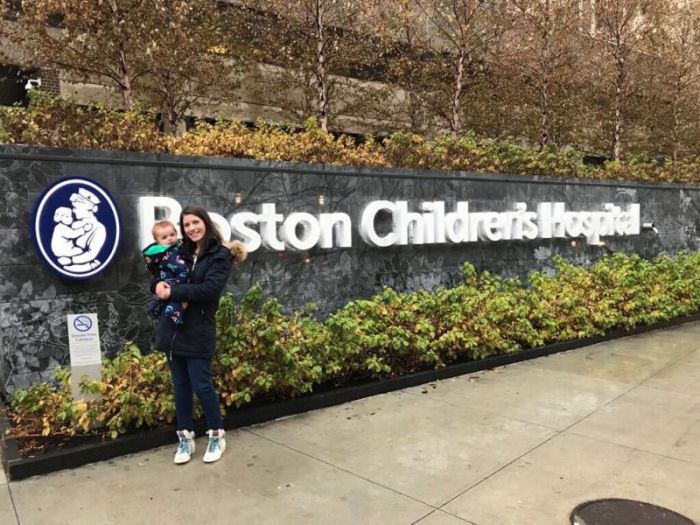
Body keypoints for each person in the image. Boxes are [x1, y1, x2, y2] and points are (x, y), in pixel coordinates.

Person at [152, 205, 247, 464]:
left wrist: (174, 292)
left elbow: (209, 289)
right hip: (172, 328)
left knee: (202, 385)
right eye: (186, 225)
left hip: (198, 329)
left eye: (196, 222)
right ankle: (185, 438)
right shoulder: (178, 250)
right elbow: (159, 273)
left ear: (205, 222)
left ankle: (216, 434)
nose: (191, 228)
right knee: (180, 387)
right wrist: (157, 285)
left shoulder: (220, 254)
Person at [142, 220, 190, 325]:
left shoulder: (158, 253)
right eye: (164, 237)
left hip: (166, 279)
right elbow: (182, 269)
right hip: (173, 280)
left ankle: (154, 307)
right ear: (157, 241)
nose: (170, 238)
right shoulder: (169, 252)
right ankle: (174, 315)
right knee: (175, 299)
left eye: (172, 235)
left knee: (165, 299)